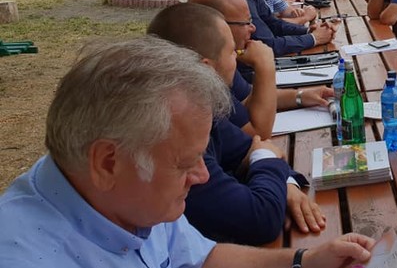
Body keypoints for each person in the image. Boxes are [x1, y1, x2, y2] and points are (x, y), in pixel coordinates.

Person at [0, 37, 374, 267]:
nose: (203, 175)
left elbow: (202, 256)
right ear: (107, 162)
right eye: (184, 163)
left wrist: (306, 261)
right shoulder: (27, 257)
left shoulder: (128, 196)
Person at [147, 4, 326, 245]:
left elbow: (256, 148)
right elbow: (260, 218)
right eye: (233, 52)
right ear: (206, 68)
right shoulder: (175, 133)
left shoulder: (202, 108)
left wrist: (286, 185)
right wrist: (267, 163)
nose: (238, 57)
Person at [189, 0, 334, 130]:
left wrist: (300, 96)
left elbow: (249, 98)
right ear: (218, 26)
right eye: (246, 22)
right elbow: (258, 131)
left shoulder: (221, 57)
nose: (253, 28)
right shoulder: (205, 74)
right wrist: (264, 65)